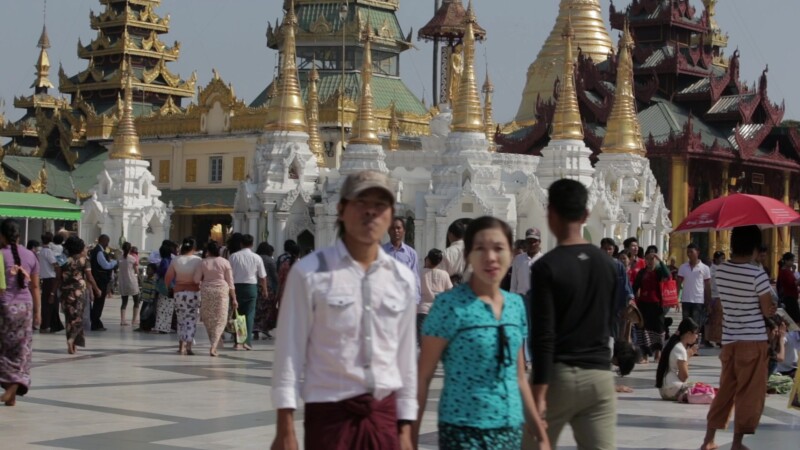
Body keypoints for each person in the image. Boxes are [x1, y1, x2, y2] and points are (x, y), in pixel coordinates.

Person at [271, 170, 418, 450]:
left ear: (390, 216)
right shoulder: (310, 273)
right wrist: (285, 427)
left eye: (380, 206)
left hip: (383, 413)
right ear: (341, 210)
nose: (371, 213)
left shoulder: (402, 278)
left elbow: (405, 359)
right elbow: (289, 352)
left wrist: (406, 426)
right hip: (330, 414)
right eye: (361, 203)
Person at [416, 217, 549, 450]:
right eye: (480, 248)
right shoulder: (448, 305)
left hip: (508, 427)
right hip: (463, 429)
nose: (490, 257)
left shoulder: (515, 306)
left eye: (499, 248)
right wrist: (410, 436)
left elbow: (518, 377)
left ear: (511, 256)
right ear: (468, 254)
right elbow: (423, 377)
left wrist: (540, 433)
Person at [524, 179, 617, 450]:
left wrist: (538, 394)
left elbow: (543, 335)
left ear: (550, 214)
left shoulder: (546, 267)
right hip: (599, 379)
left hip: (558, 378)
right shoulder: (608, 265)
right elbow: (609, 321)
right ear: (586, 215)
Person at [701, 225, 777, 450]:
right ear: (754, 246)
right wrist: (772, 309)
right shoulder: (757, 273)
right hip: (753, 340)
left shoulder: (722, 270)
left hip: (730, 339)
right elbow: (766, 310)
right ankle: (737, 442)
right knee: (749, 394)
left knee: (725, 391)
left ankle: (709, 439)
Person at [0, 219, 40, 406]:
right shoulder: (31, 256)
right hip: (26, 307)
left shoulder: (1, 254)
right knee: (22, 349)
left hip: (6, 307)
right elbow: (35, 287)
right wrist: (38, 312)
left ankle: (12, 386)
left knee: (5, 348)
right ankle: (13, 392)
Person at [60, 237, 102, 355]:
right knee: (78, 318)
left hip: (65, 292)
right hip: (79, 292)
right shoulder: (84, 260)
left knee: (69, 318)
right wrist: (96, 289)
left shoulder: (63, 260)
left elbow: (57, 278)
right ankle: (72, 341)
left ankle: (71, 343)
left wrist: (53, 293)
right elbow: (89, 277)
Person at [194, 241, 237, 357]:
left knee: (208, 317)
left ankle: (214, 341)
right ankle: (214, 345)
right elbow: (230, 282)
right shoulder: (225, 262)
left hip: (207, 290)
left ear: (208, 251)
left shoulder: (203, 262)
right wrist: (234, 298)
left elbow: (196, 279)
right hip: (221, 291)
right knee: (220, 318)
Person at [228, 234, 267, 350]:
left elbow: (230, 275)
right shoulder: (256, 257)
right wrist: (264, 289)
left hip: (237, 287)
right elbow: (263, 276)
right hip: (251, 287)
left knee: (238, 314)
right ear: (252, 244)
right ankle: (246, 341)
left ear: (241, 244)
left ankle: (238, 342)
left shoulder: (234, 256)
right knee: (249, 315)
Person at [633, 248, 671, 363]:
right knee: (643, 329)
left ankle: (658, 353)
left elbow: (668, 276)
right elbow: (635, 287)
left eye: (652, 259)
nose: (650, 261)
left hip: (657, 305)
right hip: (643, 304)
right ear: (645, 259)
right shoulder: (642, 272)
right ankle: (644, 354)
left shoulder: (659, 272)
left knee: (658, 329)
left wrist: (661, 261)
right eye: (648, 259)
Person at [165, 238, 203, 355]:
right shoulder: (198, 260)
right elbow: (200, 277)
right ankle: (189, 346)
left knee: (181, 319)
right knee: (191, 320)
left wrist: (170, 288)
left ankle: (181, 346)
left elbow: (168, 277)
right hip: (193, 293)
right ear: (193, 247)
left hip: (179, 293)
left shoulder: (176, 260)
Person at [656, 318, 700, 401]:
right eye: (696, 333)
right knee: (701, 388)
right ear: (688, 333)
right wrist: (688, 355)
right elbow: (683, 376)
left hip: (664, 390)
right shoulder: (680, 349)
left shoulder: (672, 344)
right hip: (673, 389)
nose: (697, 336)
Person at [677, 243, 712, 343]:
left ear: (698, 252)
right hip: (686, 299)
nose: (689, 254)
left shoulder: (705, 268)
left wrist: (708, 301)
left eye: (691, 252)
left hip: (698, 300)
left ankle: (694, 345)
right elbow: (678, 283)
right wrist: (676, 298)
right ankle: (686, 343)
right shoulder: (683, 267)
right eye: (688, 252)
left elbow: (707, 286)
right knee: (686, 323)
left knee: (696, 324)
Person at [383, 217, 421, 303]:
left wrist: (415, 301)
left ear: (404, 231)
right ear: (388, 231)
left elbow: (415, 278)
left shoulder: (411, 253)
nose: (396, 230)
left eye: (398, 228)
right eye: (392, 228)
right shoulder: (381, 252)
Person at [417, 248, 452, 337]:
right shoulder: (444, 274)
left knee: (422, 343)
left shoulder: (419, 272)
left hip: (422, 310)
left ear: (428, 259)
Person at [89, 234, 117, 331]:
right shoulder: (99, 252)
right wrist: (114, 263)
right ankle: (95, 323)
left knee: (98, 302)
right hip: (100, 280)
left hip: (99, 279)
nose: (107, 244)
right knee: (99, 302)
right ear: (103, 241)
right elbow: (105, 265)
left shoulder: (97, 251)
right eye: (107, 241)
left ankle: (96, 321)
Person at [38, 232, 64, 334]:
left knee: (50, 303)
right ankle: (46, 325)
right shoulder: (48, 252)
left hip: (46, 279)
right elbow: (55, 264)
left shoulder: (41, 251)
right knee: (50, 302)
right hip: (51, 278)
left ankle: (52, 324)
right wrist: (59, 273)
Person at [254, 242, 278, 340]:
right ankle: (264, 328)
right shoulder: (269, 260)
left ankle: (255, 329)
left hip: (255, 285)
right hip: (267, 287)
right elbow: (274, 275)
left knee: (257, 308)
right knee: (267, 308)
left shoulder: (255, 258)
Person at [510, 228, 543, 297]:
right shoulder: (518, 259)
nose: (532, 244)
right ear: (526, 242)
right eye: (529, 241)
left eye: (534, 241)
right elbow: (513, 284)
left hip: (537, 300)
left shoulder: (544, 260)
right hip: (521, 298)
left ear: (539, 242)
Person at [153, 243, 176, 334]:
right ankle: (166, 327)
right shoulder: (172, 260)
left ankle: (161, 326)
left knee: (162, 307)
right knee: (169, 308)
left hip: (165, 286)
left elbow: (164, 271)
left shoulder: (164, 261)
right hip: (172, 285)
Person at [118, 242, 140, 327]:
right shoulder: (132, 258)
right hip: (131, 281)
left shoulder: (119, 258)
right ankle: (134, 320)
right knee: (136, 300)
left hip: (123, 281)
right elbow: (137, 271)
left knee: (124, 302)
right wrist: (140, 278)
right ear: (130, 249)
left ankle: (123, 320)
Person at [706, 251, 726, 347]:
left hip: (720, 296)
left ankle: (717, 338)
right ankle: (714, 338)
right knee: (716, 319)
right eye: (721, 258)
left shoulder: (721, 269)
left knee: (719, 319)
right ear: (716, 259)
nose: (723, 260)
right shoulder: (712, 270)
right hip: (715, 296)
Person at [441, 220, 467, 285]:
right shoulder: (472, 251)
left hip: (451, 289)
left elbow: (442, 276)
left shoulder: (446, 253)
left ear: (450, 234)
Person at [135, 263, 158, 332]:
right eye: (147, 269)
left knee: (148, 314)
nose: (148, 271)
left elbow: (153, 291)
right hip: (145, 299)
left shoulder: (154, 280)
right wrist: (140, 297)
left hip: (150, 301)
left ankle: (147, 327)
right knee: (142, 313)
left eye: (149, 270)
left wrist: (151, 300)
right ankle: (142, 327)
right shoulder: (145, 278)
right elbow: (143, 289)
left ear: (154, 271)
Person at [778, 252, 800, 323]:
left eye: (793, 260)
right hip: (790, 299)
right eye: (791, 260)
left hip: (791, 297)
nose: (792, 262)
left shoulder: (787, 271)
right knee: (795, 320)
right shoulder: (785, 271)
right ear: (786, 261)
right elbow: (793, 284)